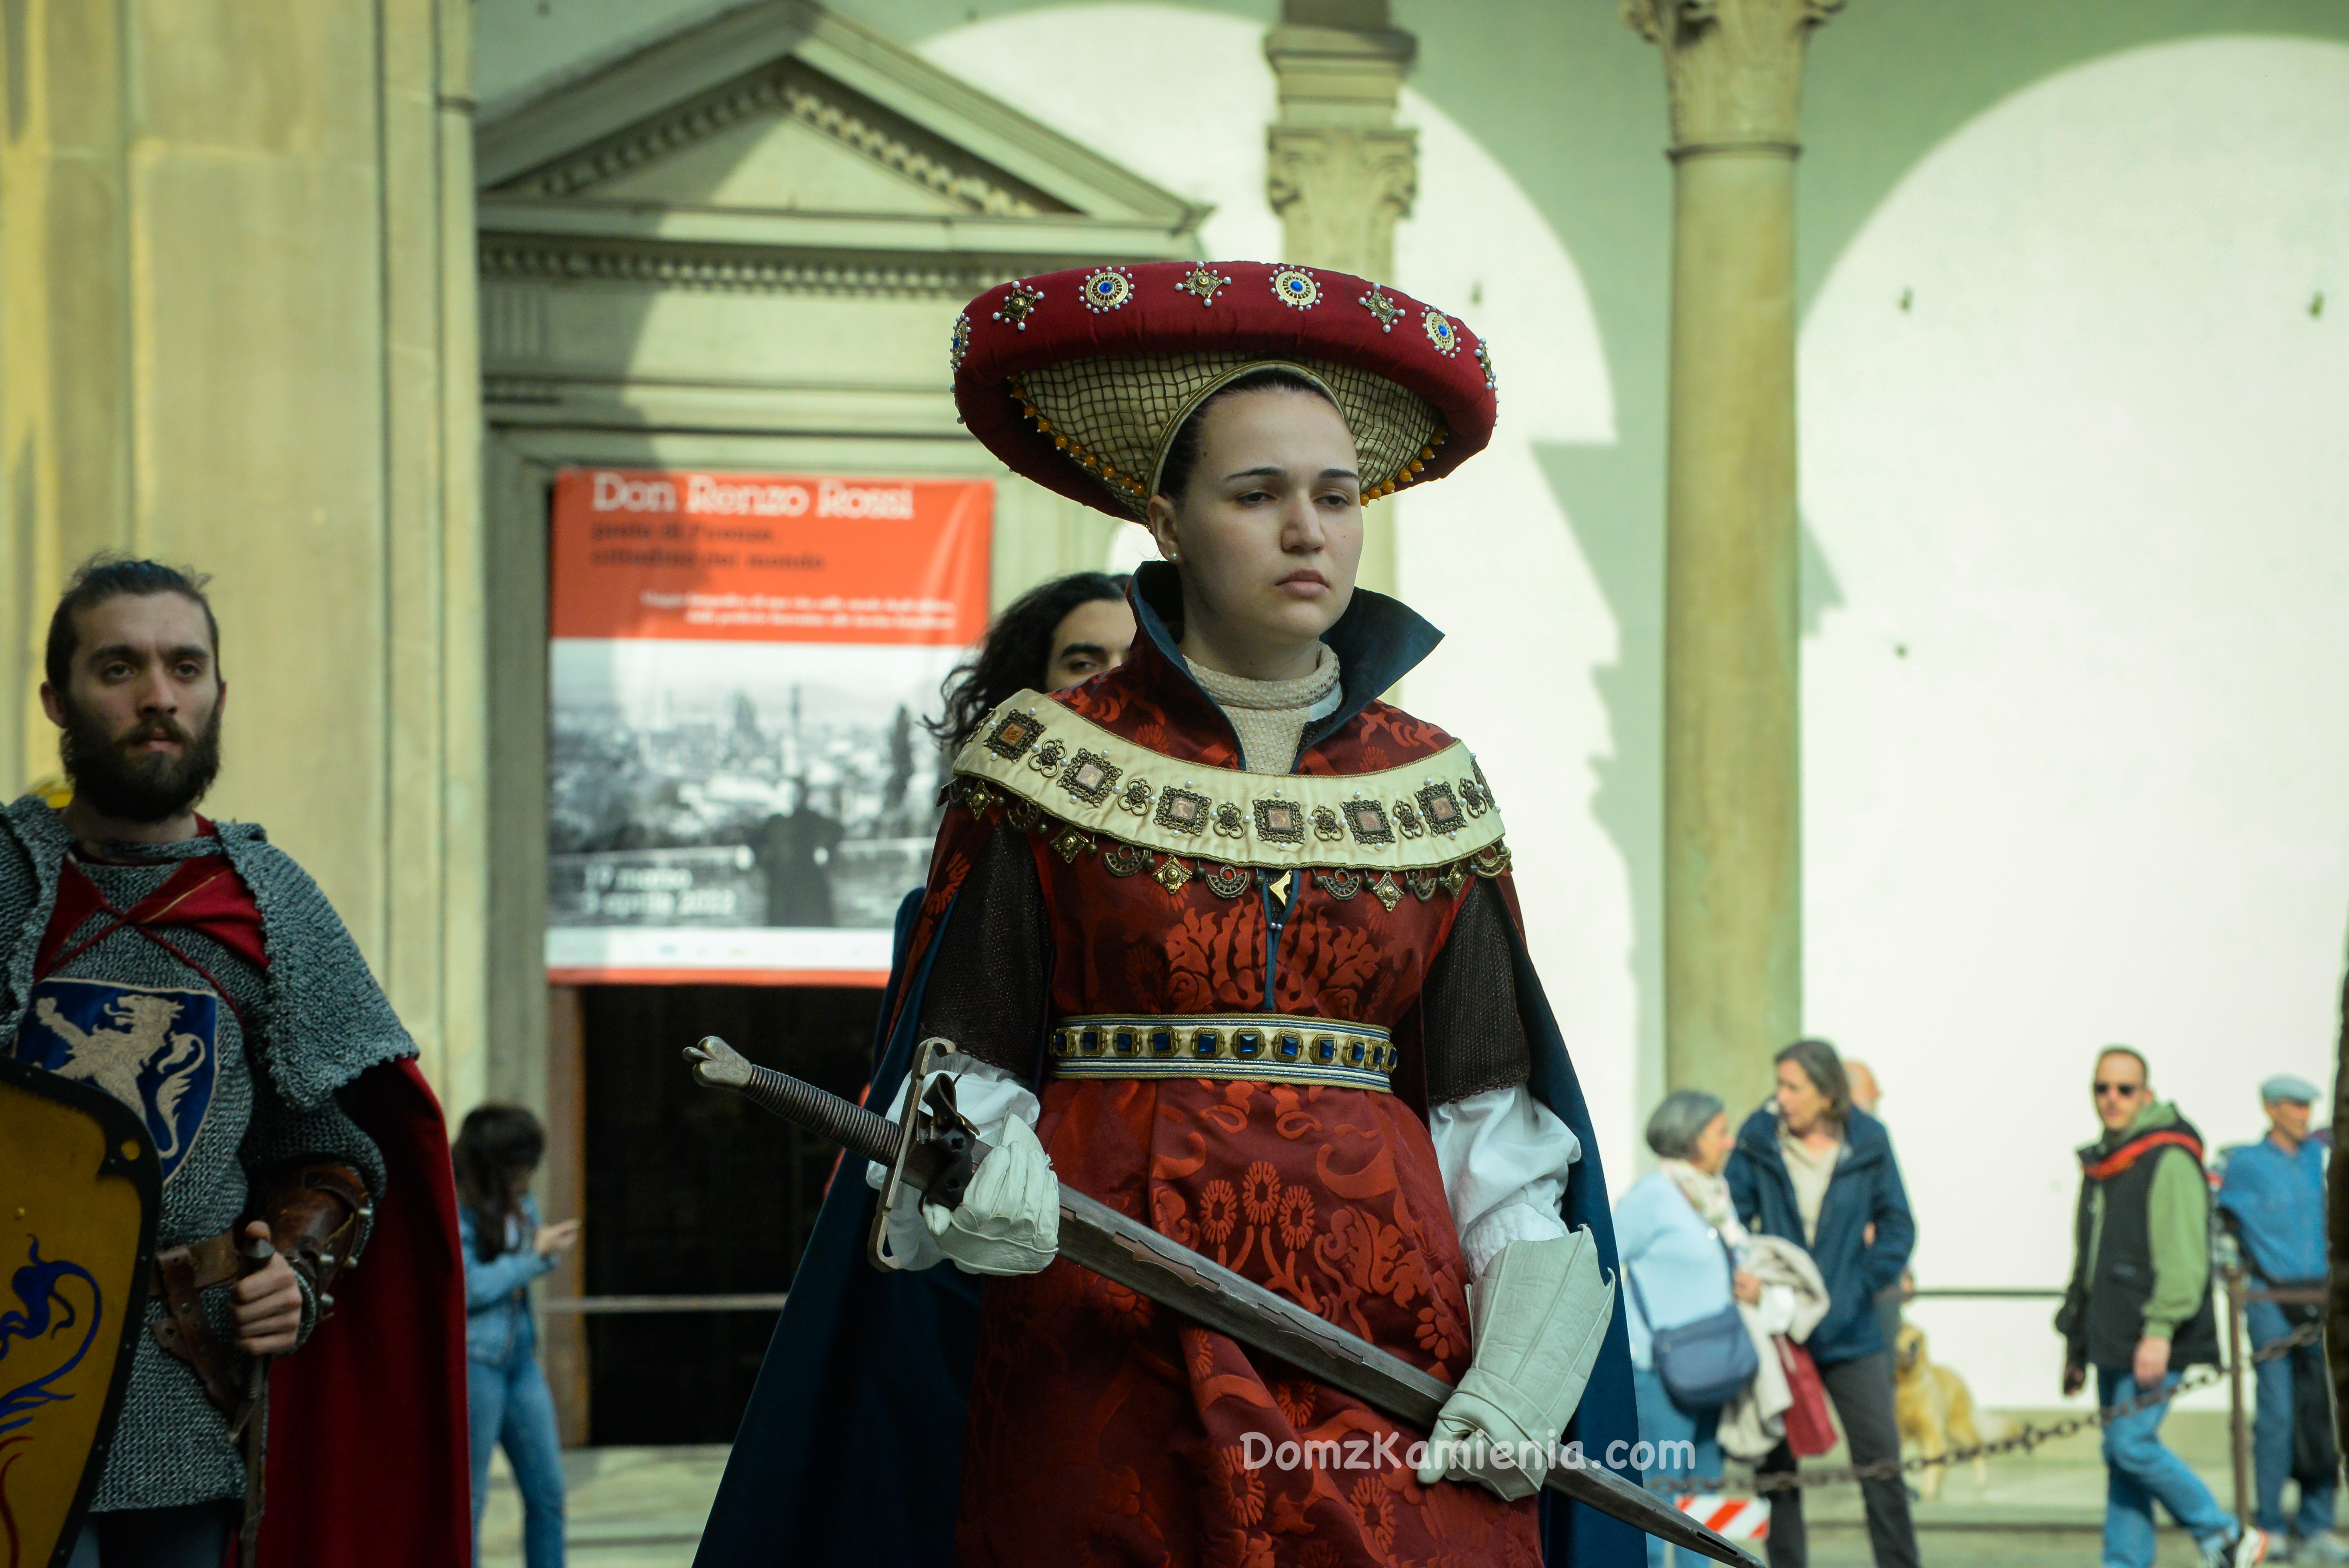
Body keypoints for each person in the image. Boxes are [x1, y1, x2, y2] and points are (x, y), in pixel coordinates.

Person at [696, 261, 1642, 1567]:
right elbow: (964, 1051)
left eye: (1334, 495)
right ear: (1168, 519)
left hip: (1387, 1337)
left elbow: (1487, 1098)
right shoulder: (1041, 754)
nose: (1306, 531)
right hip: (1105, 1316)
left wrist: (1531, 1338)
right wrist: (977, 1160)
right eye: (1256, 495)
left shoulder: (1433, 782)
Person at [10, 556, 468, 1567]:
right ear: (57, 698)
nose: (158, 696)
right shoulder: (4, 884)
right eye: (118, 668)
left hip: (183, 1388)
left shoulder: (273, 906)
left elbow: (333, 1142)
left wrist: (299, 1268)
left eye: (185, 666)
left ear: (219, 692)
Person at [2059, 1047, 2267, 1568]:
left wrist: (2159, 1329)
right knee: (2120, 1455)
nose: (2111, 1099)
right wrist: (2075, 1343)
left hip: (2152, 1334)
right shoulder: (2105, 1161)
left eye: (2124, 1089)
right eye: (2101, 1088)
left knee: (2131, 1445)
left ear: (2146, 1095)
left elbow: (2183, 1258)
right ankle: (2124, 1562)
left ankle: (2223, 1535)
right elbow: (2088, 1261)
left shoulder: (2167, 1157)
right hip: (2110, 1334)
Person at [1727, 1039, 1921, 1568]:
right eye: (1779, 1084)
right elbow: (1731, 1217)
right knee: (1777, 1473)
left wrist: (1857, 1287)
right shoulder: (1758, 1135)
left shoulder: (1868, 1138)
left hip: (1851, 1329)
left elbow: (1899, 1227)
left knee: (1881, 1465)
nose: (1781, 1097)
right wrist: (1750, 1277)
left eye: (1792, 1086)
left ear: (1825, 1091)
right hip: (1779, 1329)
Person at [1618, 1091, 1756, 1563]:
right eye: (1721, 1131)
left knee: (1704, 1500)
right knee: (1660, 1496)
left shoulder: (1713, 1197)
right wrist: (1636, 1341)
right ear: (1691, 1138)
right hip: (1660, 1374)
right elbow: (1602, 1263)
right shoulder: (1652, 1197)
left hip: (1714, 1370)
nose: (1731, 1142)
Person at [455, 1104, 581, 1568]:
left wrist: (543, 1247)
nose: (525, 1173)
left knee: (548, 1493)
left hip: (521, 1359)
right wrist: (534, 1256)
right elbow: (467, 1288)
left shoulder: (518, 1194)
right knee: (470, 1502)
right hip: (476, 1360)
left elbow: (526, 1251)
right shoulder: (458, 1201)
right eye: (517, 1163)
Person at [2218, 1074, 2336, 1562]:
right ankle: (2269, 1523)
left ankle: (2317, 1523)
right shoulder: (2243, 1163)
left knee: (2322, 1413)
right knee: (2276, 1416)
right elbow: (2217, 1218)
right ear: (2270, 1109)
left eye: (2308, 1107)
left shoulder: (2317, 1158)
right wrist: (2230, 1275)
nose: (2303, 1115)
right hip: (2268, 1301)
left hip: (2320, 1299)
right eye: (2293, 1106)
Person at [928, 570, 1135, 753]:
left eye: (1138, 661)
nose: (1115, 680)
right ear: (1035, 682)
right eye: (1083, 664)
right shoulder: (998, 792)